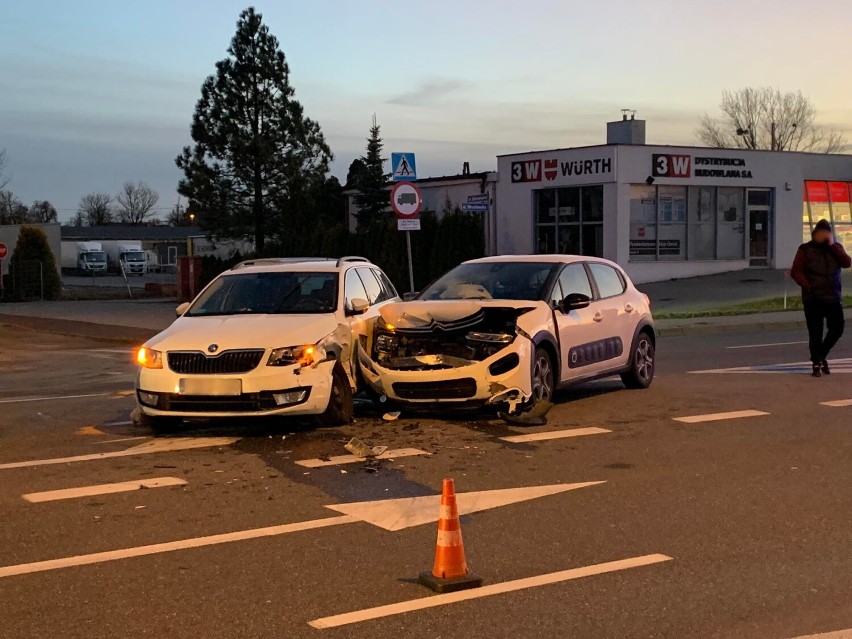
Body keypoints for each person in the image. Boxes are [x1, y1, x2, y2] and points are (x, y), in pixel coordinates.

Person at [790, 219, 852, 376]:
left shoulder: (836, 248)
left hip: (832, 297)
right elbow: (796, 271)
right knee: (815, 332)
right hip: (813, 298)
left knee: (837, 328)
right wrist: (808, 286)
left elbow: (846, 263)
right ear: (815, 234)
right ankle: (816, 364)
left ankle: (821, 355)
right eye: (821, 234)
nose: (824, 236)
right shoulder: (805, 249)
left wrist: (832, 246)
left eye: (827, 233)